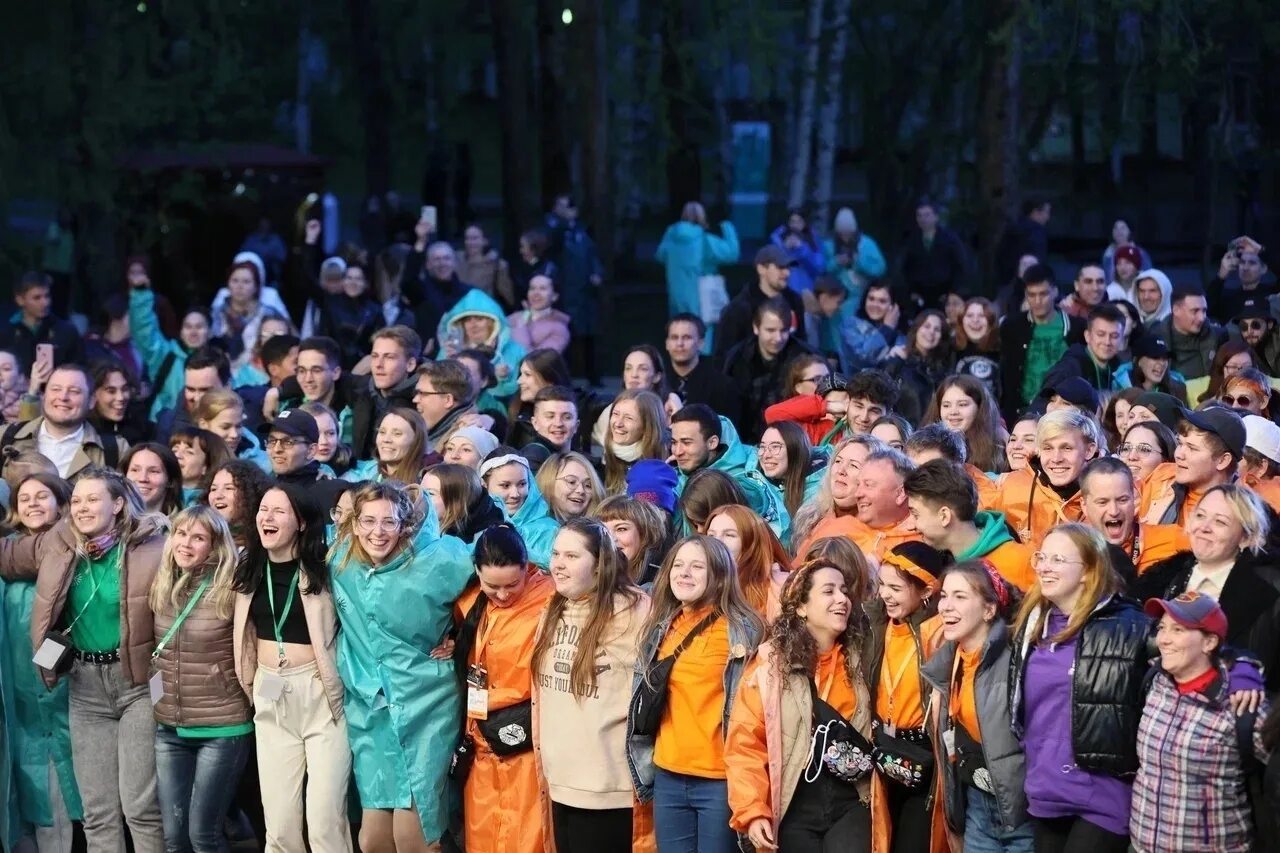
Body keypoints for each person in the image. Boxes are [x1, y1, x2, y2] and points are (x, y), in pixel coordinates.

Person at [0, 467, 166, 853]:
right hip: (85, 687)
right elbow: (8, 556)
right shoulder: (58, 543)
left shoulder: (153, 546)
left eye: (93, 499)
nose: (82, 508)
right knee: (97, 810)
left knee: (140, 808)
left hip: (138, 685)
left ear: (119, 504)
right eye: (76, 500)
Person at [329, 481, 473, 852]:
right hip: (371, 709)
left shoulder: (439, 561)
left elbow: (502, 568)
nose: (378, 532)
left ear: (404, 525)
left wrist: (463, 638)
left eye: (389, 522)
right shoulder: (340, 561)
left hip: (427, 703)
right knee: (373, 839)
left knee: (414, 835)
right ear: (355, 523)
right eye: (369, 521)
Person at [1008, 524, 1149, 852]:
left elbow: (1194, 650)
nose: (1044, 566)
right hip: (1045, 788)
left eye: (1057, 560)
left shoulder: (1128, 625)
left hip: (1102, 795)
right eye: (1042, 557)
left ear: (1088, 570)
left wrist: (1242, 672)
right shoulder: (1029, 626)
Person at [231, 485, 351, 853]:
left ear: (300, 523)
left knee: (324, 823)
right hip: (270, 692)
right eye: (263, 509)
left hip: (321, 696)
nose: (267, 517)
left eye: (278, 511)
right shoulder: (248, 566)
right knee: (280, 826)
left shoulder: (328, 567)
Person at [725, 559, 876, 851]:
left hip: (854, 799)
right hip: (795, 801)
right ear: (802, 607)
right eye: (829, 591)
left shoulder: (864, 658)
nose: (842, 599)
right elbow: (745, 743)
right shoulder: (770, 665)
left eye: (844, 591)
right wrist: (753, 810)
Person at [627, 534, 765, 853]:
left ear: (719, 575)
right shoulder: (663, 624)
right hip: (668, 774)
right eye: (678, 564)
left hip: (719, 780)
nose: (684, 572)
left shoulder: (743, 630)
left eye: (697, 566)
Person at [531, 518, 651, 853]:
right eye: (556, 554)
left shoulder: (635, 609)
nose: (558, 564)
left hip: (608, 788)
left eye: (571, 556)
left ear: (599, 565)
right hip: (558, 781)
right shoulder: (554, 608)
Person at [1131, 592, 1270, 853]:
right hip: (1143, 845)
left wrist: (1246, 667)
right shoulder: (1154, 682)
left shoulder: (1241, 703)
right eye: (1161, 628)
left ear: (1209, 642)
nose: (1164, 639)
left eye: (1178, 629)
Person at [149, 505, 252, 853]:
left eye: (198, 537)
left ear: (215, 545)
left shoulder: (232, 587)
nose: (186, 544)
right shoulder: (163, 584)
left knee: (202, 836)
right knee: (174, 839)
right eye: (181, 534)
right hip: (169, 728)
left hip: (222, 728)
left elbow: (252, 650)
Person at [453, 525, 554, 853]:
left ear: (528, 567)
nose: (503, 594)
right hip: (481, 740)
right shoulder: (469, 601)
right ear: (477, 573)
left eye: (512, 584)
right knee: (482, 839)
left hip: (529, 742)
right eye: (492, 586)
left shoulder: (553, 599)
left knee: (527, 840)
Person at [921, 560, 1033, 851]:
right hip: (977, 804)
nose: (945, 606)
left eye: (960, 597)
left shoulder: (1017, 661)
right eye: (944, 596)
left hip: (1022, 812)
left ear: (989, 609)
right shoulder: (947, 664)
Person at [1, 472, 83, 852]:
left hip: (64, 691)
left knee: (67, 792)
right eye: (25, 498)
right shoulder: (7, 555)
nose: (33, 503)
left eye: (42, 496)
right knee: (25, 795)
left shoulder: (76, 554)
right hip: (16, 698)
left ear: (61, 502)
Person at [1135, 484, 1280, 686]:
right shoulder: (1165, 579)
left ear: (1245, 537)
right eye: (1200, 516)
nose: (1204, 527)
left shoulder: (1271, 589)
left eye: (1220, 522)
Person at [863, 541, 949, 853]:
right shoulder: (872, 625)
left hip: (921, 757)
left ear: (926, 590)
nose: (885, 594)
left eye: (896, 588)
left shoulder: (939, 633)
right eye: (883, 585)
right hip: (880, 752)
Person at [905, 459, 1035, 590]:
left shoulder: (1020, 563)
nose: (910, 524)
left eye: (916, 515)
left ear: (944, 516)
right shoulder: (935, 566)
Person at [988, 409, 1100, 546]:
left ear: (1089, 450)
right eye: (1048, 448)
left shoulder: (1105, 494)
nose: (1056, 458)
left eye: (1067, 448)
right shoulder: (1010, 487)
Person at [2, 363, 128, 479]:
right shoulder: (4, 437)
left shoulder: (116, 450)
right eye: (56, 389)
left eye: (74, 391)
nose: (63, 397)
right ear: (44, 395)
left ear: (91, 401)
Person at [668, 405, 782, 532]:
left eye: (686, 443)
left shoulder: (752, 478)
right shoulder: (671, 479)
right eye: (674, 442)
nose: (677, 452)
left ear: (712, 443)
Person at [999, 264, 1086, 425]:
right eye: (1032, 295)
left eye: (1043, 294)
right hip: (1019, 412)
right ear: (1025, 294)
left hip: (1063, 413)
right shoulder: (1011, 326)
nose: (1037, 301)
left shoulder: (1077, 328)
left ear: (1055, 291)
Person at [1076, 456, 1187, 579]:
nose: (1114, 511)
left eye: (1122, 500)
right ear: (1084, 506)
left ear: (1134, 499)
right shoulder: (1073, 553)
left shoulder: (1173, 538)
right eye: (1102, 502)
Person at [723, 297, 814, 443]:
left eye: (783, 330)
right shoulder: (736, 359)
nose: (778, 338)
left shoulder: (804, 357)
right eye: (770, 330)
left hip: (793, 440)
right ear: (756, 327)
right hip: (744, 440)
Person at [1140, 407, 1244, 526]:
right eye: (1180, 443)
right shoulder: (1161, 478)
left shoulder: (1240, 514)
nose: (1178, 455)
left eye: (1192, 448)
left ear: (1222, 461)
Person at [544, 194, 605, 385]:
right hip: (566, 292)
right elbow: (551, 246)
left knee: (589, 337)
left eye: (567, 206)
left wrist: (596, 272)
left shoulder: (580, 230)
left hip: (585, 292)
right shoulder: (553, 227)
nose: (563, 210)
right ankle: (563, 377)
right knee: (565, 336)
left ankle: (593, 377)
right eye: (560, 206)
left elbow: (592, 254)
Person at [714, 245, 806, 362]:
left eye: (788, 268)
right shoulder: (739, 308)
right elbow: (724, 354)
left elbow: (801, 342)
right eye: (781, 267)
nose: (787, 273)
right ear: (761, 269)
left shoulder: (795, 301)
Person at [655, 201, 741, 318]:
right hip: (703, 303)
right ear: (702, 217)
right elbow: (732, 254)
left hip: (676, 301)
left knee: (680, 332)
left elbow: (660, 256)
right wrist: (727, 226)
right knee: (701, 334)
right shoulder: (706, 241)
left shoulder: (671, 238)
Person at [706, 504, 792, 619]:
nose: (717, 541)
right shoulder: (699, 582)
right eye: (711, 535)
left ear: (751, 543)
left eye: (729, 535)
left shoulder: (780, 589)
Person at [436, 289, 526, 399]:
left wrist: (504, 378)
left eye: (479, 319)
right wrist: (448, 365)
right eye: (468, 320)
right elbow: (437, 387)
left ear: (492, 322)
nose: (473, 325)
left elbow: (521, 392)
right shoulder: (448, 351)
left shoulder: (516, 351)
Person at [351, 326, 422, 460]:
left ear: (411, 364)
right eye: (374, 356)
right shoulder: (362, 391)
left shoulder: (423, 401)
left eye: (389, 357)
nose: (378, 364)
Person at [479, 448, 558, 568]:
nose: (515, 494)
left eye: (522, 484)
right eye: (505, 485)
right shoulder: (471, 526)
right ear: (485, 485)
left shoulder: (551, 530)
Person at [401, 230, 475, 353]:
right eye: (437, 259)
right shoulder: (420, 291)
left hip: (462, 355)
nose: (442, 263)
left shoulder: (469, 293)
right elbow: (408, 281)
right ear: (428, 264)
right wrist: (420, 243)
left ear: (454, 263)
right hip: (429, 357)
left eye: (446, 258)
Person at [210, 260, 291, 370]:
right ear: (228, 284)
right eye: (235, 280)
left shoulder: (268, 314)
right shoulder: (216, 314)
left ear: (256, 286)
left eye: (246, 281)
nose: (239, 286)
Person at [897, 197, 971, 313]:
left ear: (936, 217)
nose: (923, 219)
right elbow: (906, 268)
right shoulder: (911, 240)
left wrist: (952, 292)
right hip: (919, 296)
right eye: (919, 215)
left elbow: (960, 266)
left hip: (944, 294)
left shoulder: (950, 239)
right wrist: (912, 291)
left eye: (927, 215)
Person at [921, 375, 1008, 474]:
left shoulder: (999, 443)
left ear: (979, 408)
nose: (953, 412)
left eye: (962, 404)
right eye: (946, 405)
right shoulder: (923, 445)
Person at [0, 271, 84, 372]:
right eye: (37, 298)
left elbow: (79, 369)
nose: (45, 303)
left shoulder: (66, 331)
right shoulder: (5, 332)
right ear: (20, 300)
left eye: (47, 296)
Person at [883, 310, 954, 426]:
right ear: (916, 329)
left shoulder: (944, 370)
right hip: (903, 433)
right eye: (927, 326)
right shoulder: (897, 362)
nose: (931, 332)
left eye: (937, 330)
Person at [1039, 303, 1127, 396]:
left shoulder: (1121, 369)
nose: (1107, 342)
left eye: (1114, 336)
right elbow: (1043, 402)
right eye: (1101, 334)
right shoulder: (1069, 369)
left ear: (1122, 339)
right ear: (1087, 336)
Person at [1146, 284, 1228, 382]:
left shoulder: (1218, 336)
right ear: (1176, 310)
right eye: (1195, 311)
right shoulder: (1153, 337)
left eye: (1204, 311)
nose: (1201, 318)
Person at [664, 314, 741, 415]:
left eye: (687, 337)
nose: (680, 343)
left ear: (701, 343)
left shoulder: (722, 386)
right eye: (674, 337)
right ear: (667, 344)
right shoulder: (657, 381)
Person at [753, 421, 827, 525]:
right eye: (762, 447)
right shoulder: (753, 481)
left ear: (795, 450)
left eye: (775, 447)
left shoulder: (819, 493)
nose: (766, 455)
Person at [822, 206, 887, 325]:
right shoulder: (828, 245)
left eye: (848, 233)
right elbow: (820, 270)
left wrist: (859, 262)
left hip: (861, 298)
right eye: (842, 234)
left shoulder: (867, 244)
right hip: (834, 301)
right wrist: (837, 262)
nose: (845, 237)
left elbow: (880, 269)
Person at [601, 389, 667, 494]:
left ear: (647, 426)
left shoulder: (666, 465)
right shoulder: (601, 465)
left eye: (628, 418)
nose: (618, 423)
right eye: (616, 414)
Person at [344, 407, 431, 485]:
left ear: (416, 440)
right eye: (382, 432)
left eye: (397, 434)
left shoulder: (428, 480)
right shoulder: (363, 473)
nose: (386, 439)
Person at [421, 463, 505, 544]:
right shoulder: (423, 528)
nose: (421, 499)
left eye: (430, 493)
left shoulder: (488, 540)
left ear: (457, 502)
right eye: (420, 491)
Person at [598, 493, 672, 584]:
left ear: (645, 535)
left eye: (621, 529)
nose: (610, 538)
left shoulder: (665, 584)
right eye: (602, 529)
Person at [192, 389, 270, 472]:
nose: (234, 435)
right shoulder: (184, 461)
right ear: (203, 425)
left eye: (238, 426)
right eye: (225, 427)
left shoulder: (264, 464)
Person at [414, 359, 482, 453]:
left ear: (448, 400)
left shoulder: (467, 439)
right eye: (416, 393)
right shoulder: (433, 430)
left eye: (422, 393)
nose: (415, 399)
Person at [203, 459, 271, 548]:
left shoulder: (262, 542)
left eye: (228, 488)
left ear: (249, 493)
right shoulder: (203, 535)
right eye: (213, 489)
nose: (218, 496)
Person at [842, 282, 905, 371]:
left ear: (894, 307)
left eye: (882, 301)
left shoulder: (900, 335)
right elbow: (864, 359)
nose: (875, 305)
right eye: (871, 299)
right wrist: (887, 329)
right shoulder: (850, 326)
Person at [88, 359, 150, 446]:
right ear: (93, 394)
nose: (120, 397)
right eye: (111, 391)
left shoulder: (141, 429)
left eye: (124, 389)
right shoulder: (81, 433)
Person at [457, 222, 516, 312]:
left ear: (484, 240)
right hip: (458, 312)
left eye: (475, 238)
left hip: (483, 313)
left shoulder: (497, 265)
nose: (470, 242)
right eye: (467, 238)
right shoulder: (456, 260)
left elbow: (508, 297)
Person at [507, 273, 571, 354]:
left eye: (542, 288)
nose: (536, 293)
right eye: (532, 288)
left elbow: (536, 361)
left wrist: (521, 326)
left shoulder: (560, 330)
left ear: (554, 296)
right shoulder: (513, 318)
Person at [171, 426, 233, 507]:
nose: (177, 455)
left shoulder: (211, 505)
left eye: (189, 452)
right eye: (174, 450)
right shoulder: (159, 493)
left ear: (207, 466)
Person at [768, 208, 825, 294]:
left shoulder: (813, 239)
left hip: (806, 291)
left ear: (804, 223)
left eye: (799, 222)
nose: (795, 225)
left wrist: (802, 248)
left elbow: (819, 267)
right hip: (783, 292)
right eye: (792, 222)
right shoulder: (777, 238)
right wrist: (785, 248)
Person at [536, 450, 603, 523]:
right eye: (571, 482)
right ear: (548, 482)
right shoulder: (531, 530)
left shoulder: (602, 530)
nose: (581, 490)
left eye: (588, 485)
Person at [1114, 334, 1186, 400]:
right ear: (1138, 361)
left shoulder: (1177, 389)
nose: (1162, 363)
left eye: (1165, 358)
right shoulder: (1119, 388)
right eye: (1155, 357)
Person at [953, 297, 1001, 394]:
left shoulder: (1004, 349)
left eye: (982, 316)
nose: (975, 320)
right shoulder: (950, 349)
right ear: (961, 320)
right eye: (970, 315)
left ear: (991, 321)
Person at [122, 442, 183, 516]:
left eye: (153, 471)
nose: (142, 478)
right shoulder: (108, 522)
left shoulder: (185, 525)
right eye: (135, 470)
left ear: (170, 481)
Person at [1100, 220, 1152, 286]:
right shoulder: (1108, 254)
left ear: (1129, 231)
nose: (1119, 231)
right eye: (1116, 228)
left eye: (1123, 228)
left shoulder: (1141, 253)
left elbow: (1147, 277)